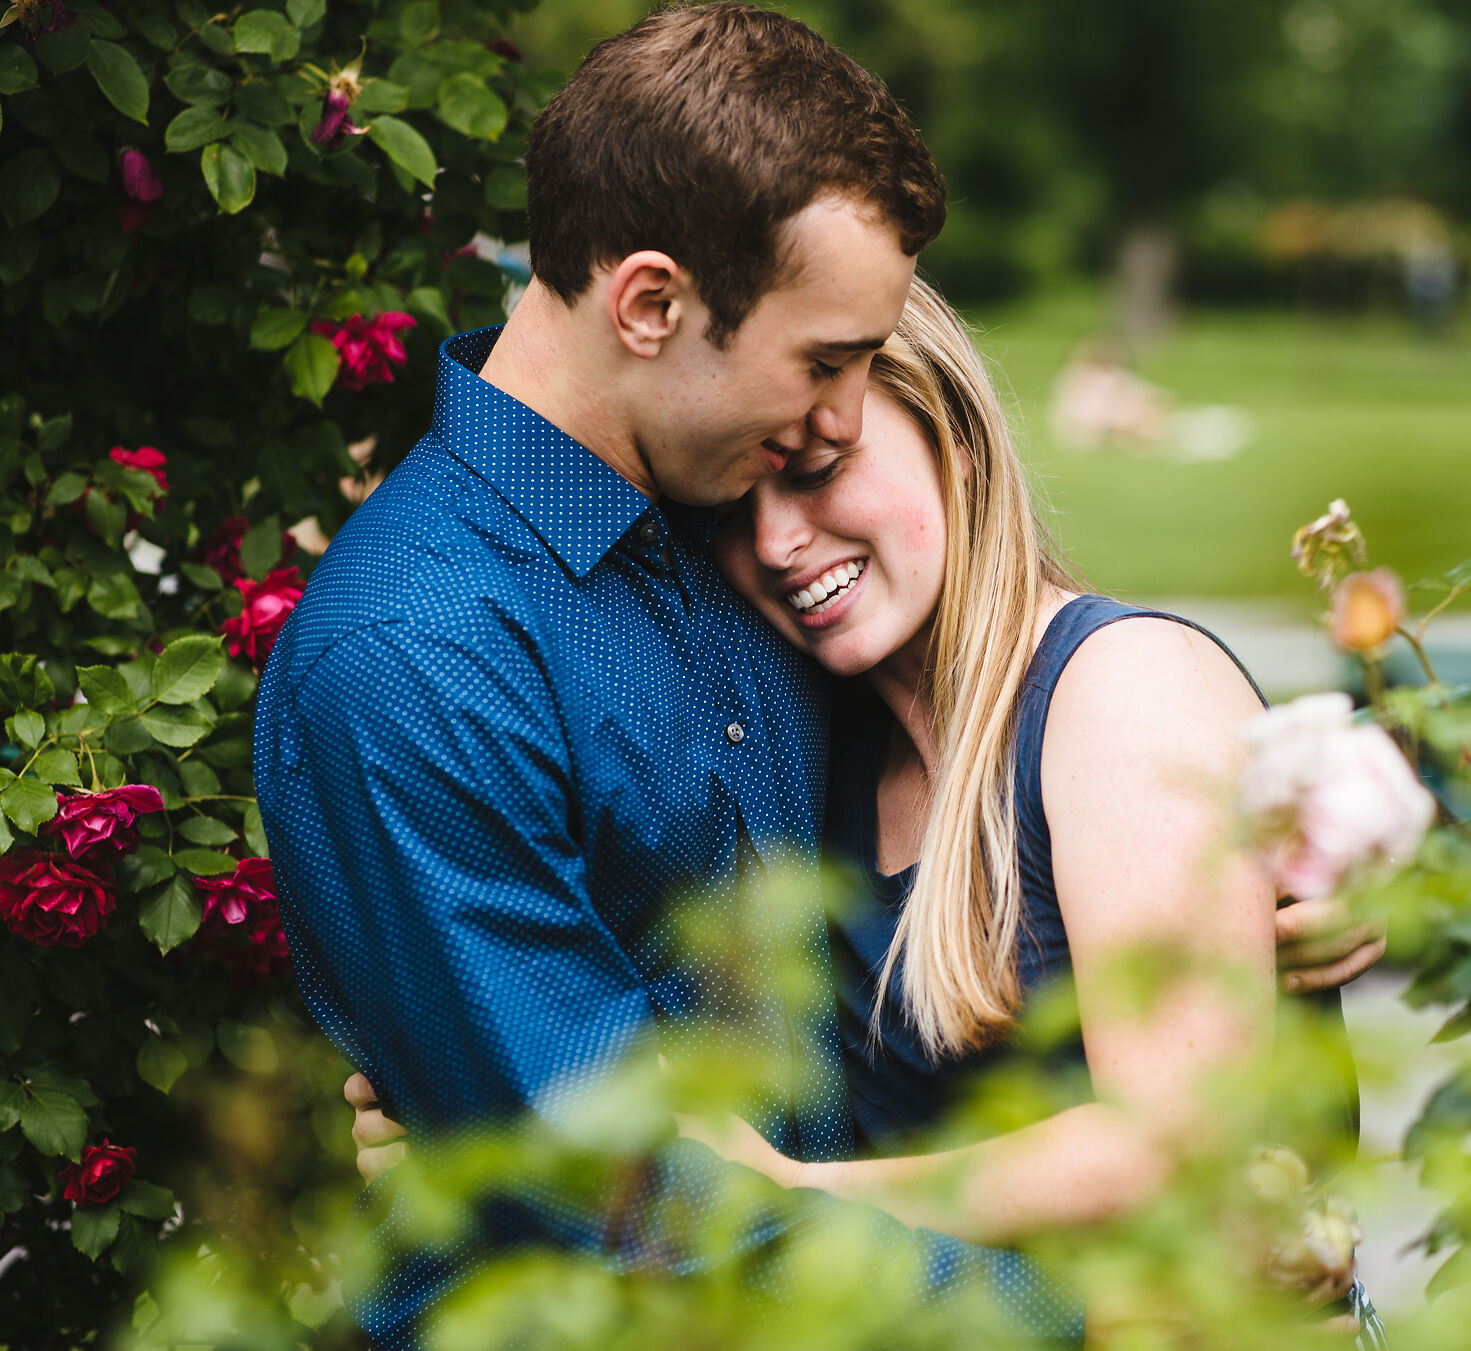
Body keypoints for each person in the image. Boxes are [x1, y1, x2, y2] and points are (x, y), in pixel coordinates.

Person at [347, 279, 1390, 1343]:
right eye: (732, 514)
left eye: (817, 470)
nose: (782, 542)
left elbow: (1178, 1147)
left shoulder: (1117, 692)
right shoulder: (821, 755)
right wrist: (466, 1100)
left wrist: (790, 1194)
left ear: (954, 434)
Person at [253, 8, 1077, 1347]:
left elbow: (980, 758)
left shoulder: (749, 530)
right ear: (650, 304)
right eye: (826, 359)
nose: (850, 415)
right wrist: (1100, 1313)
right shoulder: (413, 662)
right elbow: (621, 1199)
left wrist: (1231, 865)